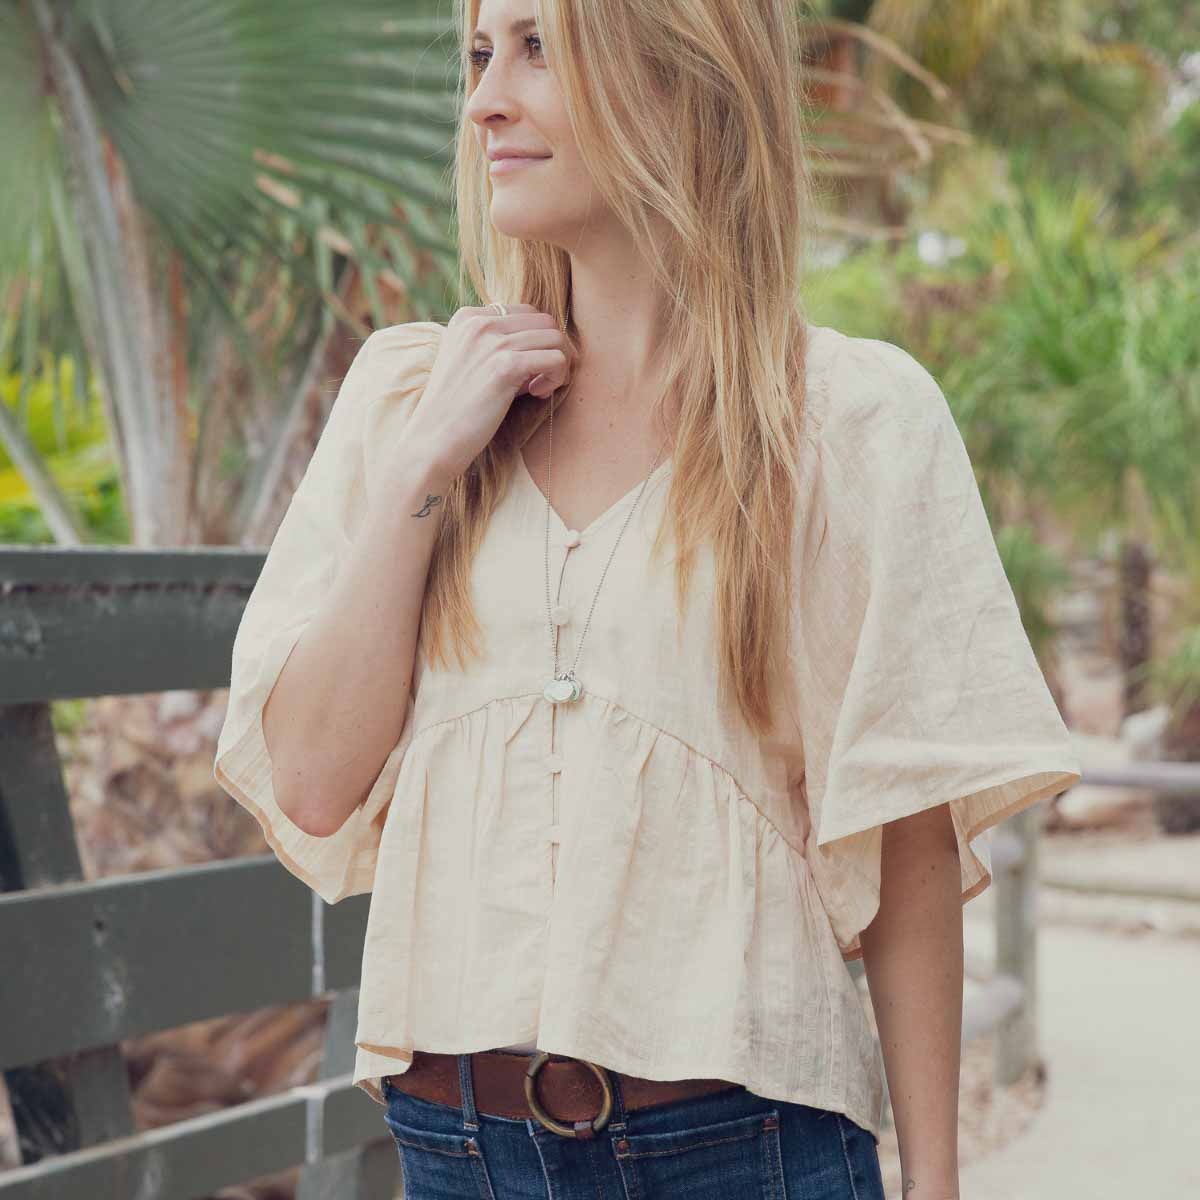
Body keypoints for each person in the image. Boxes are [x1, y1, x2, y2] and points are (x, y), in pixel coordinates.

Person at [212, 1, 1083, 1196]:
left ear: (679, 74)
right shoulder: (410, 396)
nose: (484, 103)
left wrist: (933, 1184)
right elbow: (312, 780)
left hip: (744, 1150)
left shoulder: (851, 422)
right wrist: (426, 465)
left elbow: (909, 841)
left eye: (537, 50)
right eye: (478, 56)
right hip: (458, 1152)